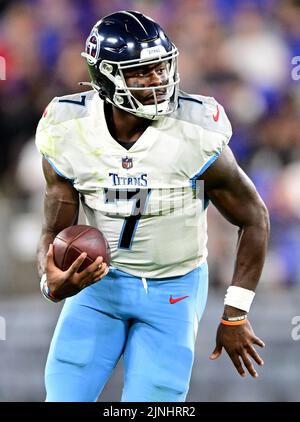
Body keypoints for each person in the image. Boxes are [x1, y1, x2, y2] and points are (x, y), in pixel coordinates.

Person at [35, 11, 269, 402]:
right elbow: (51, 229)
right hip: (98, 288)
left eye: (162, 67)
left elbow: (254, 217)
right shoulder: (67, 128)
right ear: (105, 75)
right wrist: (50, 280)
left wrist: (236, 311)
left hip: (173, 288)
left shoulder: (195, 131)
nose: (159, 80)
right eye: (142, 72)